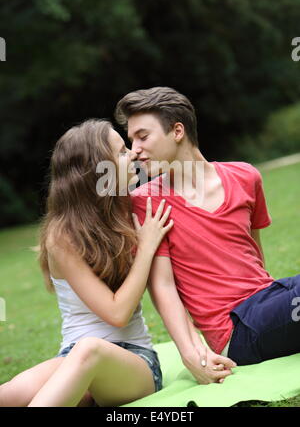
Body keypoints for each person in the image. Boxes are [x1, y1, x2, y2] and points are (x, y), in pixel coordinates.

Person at [114, 86, 300, 384]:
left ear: (177, 131)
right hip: (236, 331)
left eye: (143, 136)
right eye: (131, 139)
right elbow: (162, 287)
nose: (134, 148)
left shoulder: (245, 176)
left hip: (270, 302)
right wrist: (192, 355)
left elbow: (254, 252)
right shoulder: (145, 201)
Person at [0, 119, 175, 407]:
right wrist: (145, 248)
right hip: (72, 358)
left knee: (89, 349)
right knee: (7, 397)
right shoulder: (63, 235)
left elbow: (119, 316)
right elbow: (115, 311)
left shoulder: (134, 209)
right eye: (120, 152)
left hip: (134, 361)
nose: (132, 153)